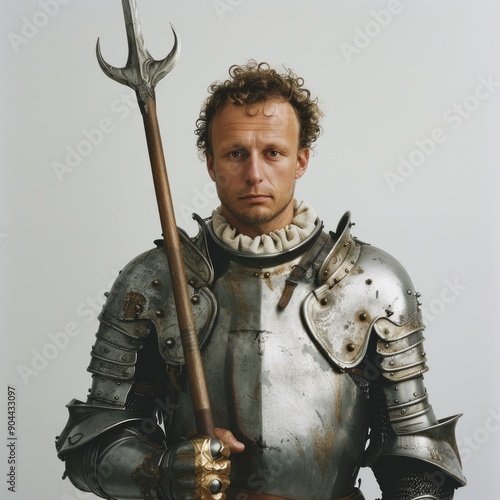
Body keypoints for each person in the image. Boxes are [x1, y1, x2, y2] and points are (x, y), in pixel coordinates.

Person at [56, 60, 466, 500]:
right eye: (236, 154)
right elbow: (91, 444)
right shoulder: (155, 282)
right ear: (211, 163)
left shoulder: (369, 284)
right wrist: (159, 472)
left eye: (273, 152)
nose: (254, 174)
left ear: (300, 160)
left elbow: (415, 455)